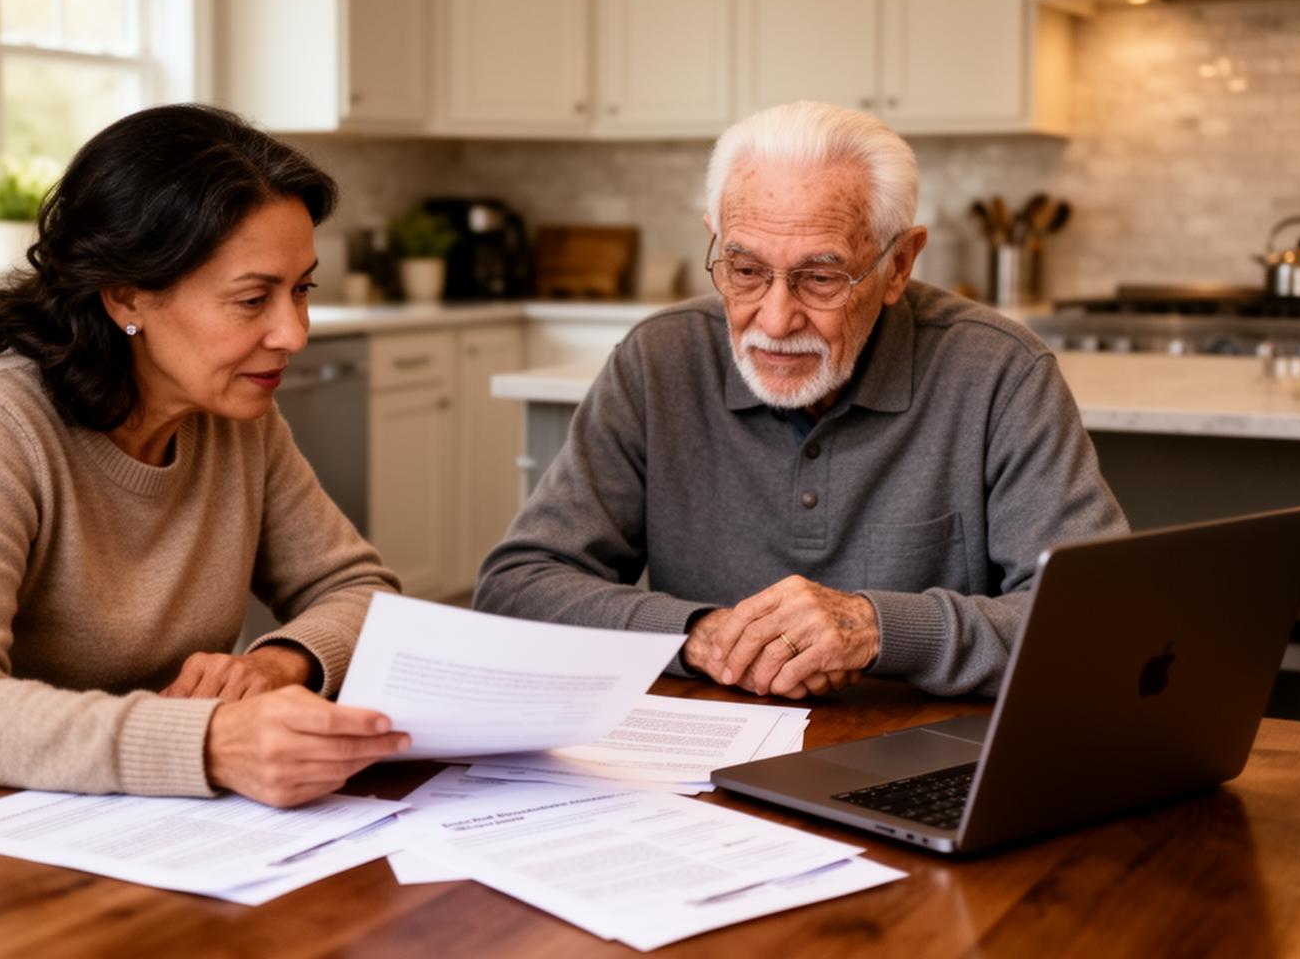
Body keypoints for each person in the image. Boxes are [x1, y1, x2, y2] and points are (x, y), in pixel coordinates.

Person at [0, 104, 409, 814]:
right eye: (252, 299)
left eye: (302, 290)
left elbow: (364, 591)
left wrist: (282, 662)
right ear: (126, 296)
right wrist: (208, 741)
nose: (293, 333)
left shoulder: (237, 422)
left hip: (98, 818)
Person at [474, 101, 1128, 701]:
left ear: (898, 264)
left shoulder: (1000, 371)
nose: (776, 320)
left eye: (820, 277)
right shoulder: (658, 360)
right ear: (715, 242)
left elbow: (1101, 622)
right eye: (746, 271)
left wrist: (877, 629)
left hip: (923, 761)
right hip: (701, 768)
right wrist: (697, 635)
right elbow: (515, 588)